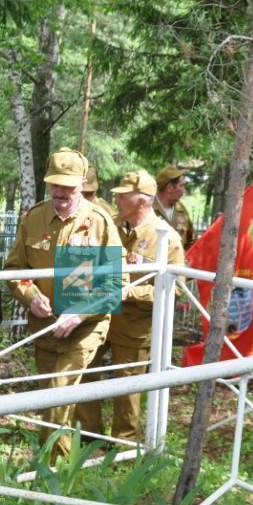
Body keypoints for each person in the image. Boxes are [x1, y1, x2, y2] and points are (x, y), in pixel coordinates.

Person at [3, 147, 124, 459]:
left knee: (59, 393)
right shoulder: (34, 218)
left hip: (85, 328)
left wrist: (79, 314)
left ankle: (48, 473)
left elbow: (115, 284)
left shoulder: (99, 223)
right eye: (55, 185)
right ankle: (66, 471)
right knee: (51, 400)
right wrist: (30, 296)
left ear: (82, 184)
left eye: (68, 186)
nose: (60, 193)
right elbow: (16, 270)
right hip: (45, 327)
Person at [73, 170, 185, 442]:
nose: (117, 200)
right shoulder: (109, 226)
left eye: (123, 196)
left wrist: (131, 292)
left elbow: (176, 289)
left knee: (128, 386)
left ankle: (123, 445)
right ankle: (87, 438)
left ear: (142, 201)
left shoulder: (166, 239)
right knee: (86, 373)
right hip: (99, 316)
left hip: (135, 326)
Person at [153, 165, 195, 249]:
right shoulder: (148, 209)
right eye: (181, 186)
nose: (184, 190)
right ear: (170, 187)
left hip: (177, 261)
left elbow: (192, 240)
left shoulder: (181, 210)